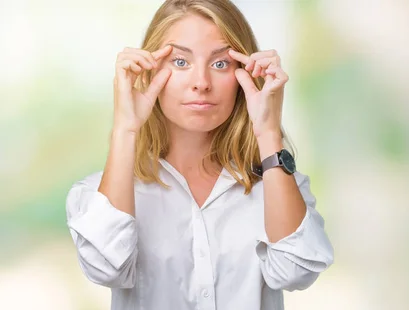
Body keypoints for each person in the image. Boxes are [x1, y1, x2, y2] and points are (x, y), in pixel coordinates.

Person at [64, 0, 334, 309]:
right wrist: (126, 129)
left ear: (244, 73)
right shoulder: (96, 196)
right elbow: (105, 268)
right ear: (149, 71)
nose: (202, 84)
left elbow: (296, 273)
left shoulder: (276, 186)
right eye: (181, 62)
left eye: (220, 64)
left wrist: (269, 134)